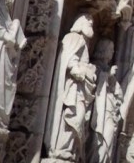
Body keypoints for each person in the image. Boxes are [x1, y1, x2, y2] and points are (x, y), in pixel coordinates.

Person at [46, 15, 96, 163]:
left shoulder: (83, 42)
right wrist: (80, 71)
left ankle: (69, 149)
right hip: (72, 87)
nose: (91, 26)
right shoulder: (75, 38)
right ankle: (62, 148)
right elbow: (69, 60)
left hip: (79, 88)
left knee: (78, 117)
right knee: (73, 115)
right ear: (81, 23)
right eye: (89, 23)